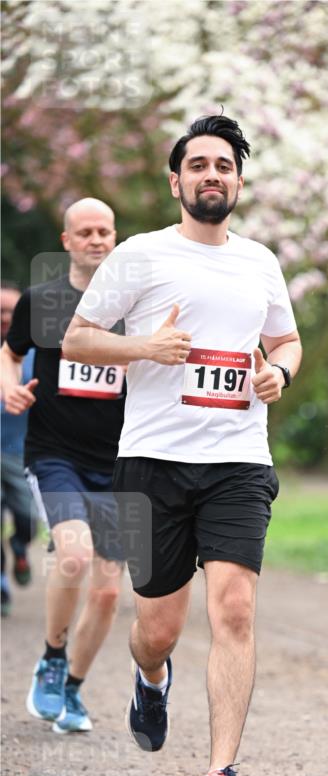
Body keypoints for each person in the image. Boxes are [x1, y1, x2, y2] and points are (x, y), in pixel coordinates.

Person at [62, 112, 302, 776]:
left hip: (237, 461)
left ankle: (220, 774)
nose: (211, 176)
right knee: (157, 627)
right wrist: (145, 350)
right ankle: (148, 676)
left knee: (233, 609)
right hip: (153, 463)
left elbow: (285, 340)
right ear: (177, 180)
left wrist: (279, 376)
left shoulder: (259, 261)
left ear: (238, 179)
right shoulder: (139, 256)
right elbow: (78, 336)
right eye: (198, 165)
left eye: (223, 166)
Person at [1, 199, 125, 734]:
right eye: (86, 231)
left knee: (108, 591)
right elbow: (9, 352)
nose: (96, 239)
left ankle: (73, 689)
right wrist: (9, 386)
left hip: (122, 462)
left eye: (105, 231)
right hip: (56, 454)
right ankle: (52, 656)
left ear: (115, 238)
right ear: (68, 240)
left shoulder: (136, 306)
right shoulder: (43, 300)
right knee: (72, 557)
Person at [1, 282, 37, 616]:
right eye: (0, 311)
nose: (6, 317)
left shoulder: (33, 353)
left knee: (27, 517)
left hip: (20, 452)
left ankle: (20, 545)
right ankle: (1, 584)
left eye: (12, 311)